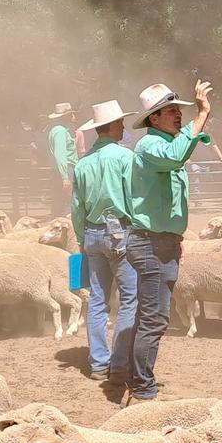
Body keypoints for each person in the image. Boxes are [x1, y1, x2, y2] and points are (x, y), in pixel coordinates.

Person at [126, 79, 214, 401]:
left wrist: (174, 239)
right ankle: (143, 389)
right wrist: (202, 114)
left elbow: (179, 154)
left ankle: (136, 378)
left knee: (149, 316)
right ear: (154, 118)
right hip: (151, 244)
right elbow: (177, 156)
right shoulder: (151, 147)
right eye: (171, 111)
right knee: (155, 318)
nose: (178, 115)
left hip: (160, 242)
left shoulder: (162, 146)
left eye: (179, 110)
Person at [72, 100, 140, 384]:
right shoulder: (126, 158)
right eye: (120, 122)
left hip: (91, 233)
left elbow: (76, 207)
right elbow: (134, 198)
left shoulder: (82, 163)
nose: (123, 126)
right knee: (130, 298)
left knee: (98, 300)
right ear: (111, 126)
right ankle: (121, 363)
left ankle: (99, 363)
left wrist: (80, 239)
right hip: (120, 232)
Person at [47, 102, 78, 216]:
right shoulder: (60, 131)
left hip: (63, 170)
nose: (74, 117)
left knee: (61, 201)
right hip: (66, 170)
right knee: (67, 202)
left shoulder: (58, 130)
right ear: (65, 116)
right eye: (71, 115)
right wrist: (64, 177)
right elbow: (60, 154)